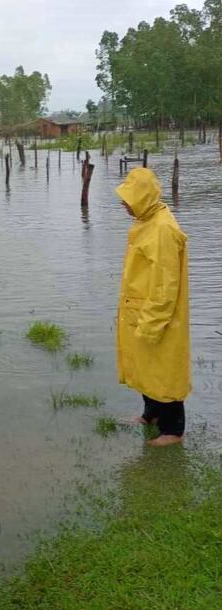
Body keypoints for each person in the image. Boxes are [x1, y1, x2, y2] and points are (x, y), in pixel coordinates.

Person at [116, 168, 190, 447]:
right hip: (140, 312)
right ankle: (152, 415)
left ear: (143, 197)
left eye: (128, 198)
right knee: (147, 369)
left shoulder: (163, 229)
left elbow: (164, 287)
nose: (124, 204)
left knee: (164, 371)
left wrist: (151, 323)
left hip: (157, 317)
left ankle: (173, 431)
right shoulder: (146, 221)